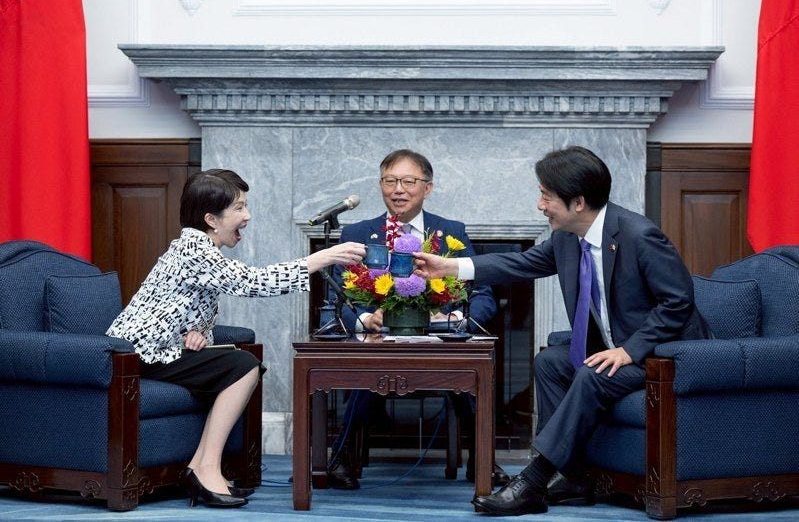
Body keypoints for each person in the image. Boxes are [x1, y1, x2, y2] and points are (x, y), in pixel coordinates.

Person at [414, 146, 711, 516]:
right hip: (621, 350)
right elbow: (520, 263)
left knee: (592, 374)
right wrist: (449, 267)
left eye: (546, 196)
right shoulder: (568, 238)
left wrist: (629, 350)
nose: (540, 205)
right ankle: (572, 476)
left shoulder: (640, 236)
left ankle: (534, 479)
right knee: (551, 362)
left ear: (579, 202)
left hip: (667, 355)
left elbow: (678, 302)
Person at [106, 169, 365, 509]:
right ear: (211, 218)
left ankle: (200, 468)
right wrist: (322, 258)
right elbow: (252, 282)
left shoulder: (196, 248)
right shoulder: (194, 251)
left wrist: (194, 333)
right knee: (244, 365)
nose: (248, 216)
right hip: (136, 356)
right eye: (240, 208)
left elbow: (177, 305)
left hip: (159, 350)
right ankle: (206, 468)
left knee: (241, 363)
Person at [325, 149, 508, 489]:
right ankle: (339, 459)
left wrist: (458, 320)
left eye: (408, 182)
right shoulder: (358, 232)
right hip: (379, 344)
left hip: (440, 344)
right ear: (381, 185)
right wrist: (363, 318)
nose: (399, 190)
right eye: (390, 181)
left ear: (428, 188)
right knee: (368, 375)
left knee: (469, 379)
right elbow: (339, 297)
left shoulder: (450, 232)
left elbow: (481, 292)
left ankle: (482, 461)